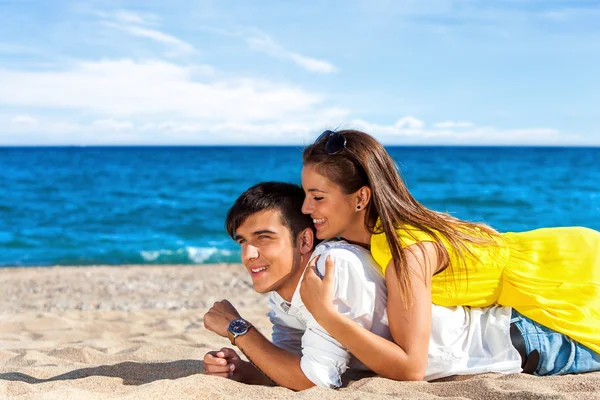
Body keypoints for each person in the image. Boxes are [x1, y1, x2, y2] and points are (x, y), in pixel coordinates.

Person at [299, 129, 600, 380]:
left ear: (361, 197)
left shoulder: (405, 251)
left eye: (318, 197)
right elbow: (480, 229)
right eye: (305, 195)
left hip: (569, 274)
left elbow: (410, 367)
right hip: (561, 254)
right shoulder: (399, 225)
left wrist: (327, 315)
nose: (305, 208)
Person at [202, 182, 524, 389]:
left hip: (516, 339)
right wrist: (243, 370)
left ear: (304, 240)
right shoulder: (284, 290)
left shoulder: (332, 269)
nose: (249, 255)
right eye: (243, 241)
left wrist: (239, 329)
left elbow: (315, 380)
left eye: (264, 239)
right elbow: (289, 363)